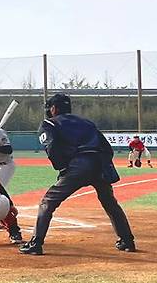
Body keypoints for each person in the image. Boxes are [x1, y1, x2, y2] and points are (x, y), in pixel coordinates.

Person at [19, 94, 136, 256]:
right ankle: (127, 241)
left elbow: (51, 147)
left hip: (78, 165)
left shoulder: (49, 123)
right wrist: (103, 167)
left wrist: (62, 167)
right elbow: (107, 149)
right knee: (110, 203)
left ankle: (36, 243)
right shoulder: (87, 123)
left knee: (48, 202)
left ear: (54, 109)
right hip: (100, 164)